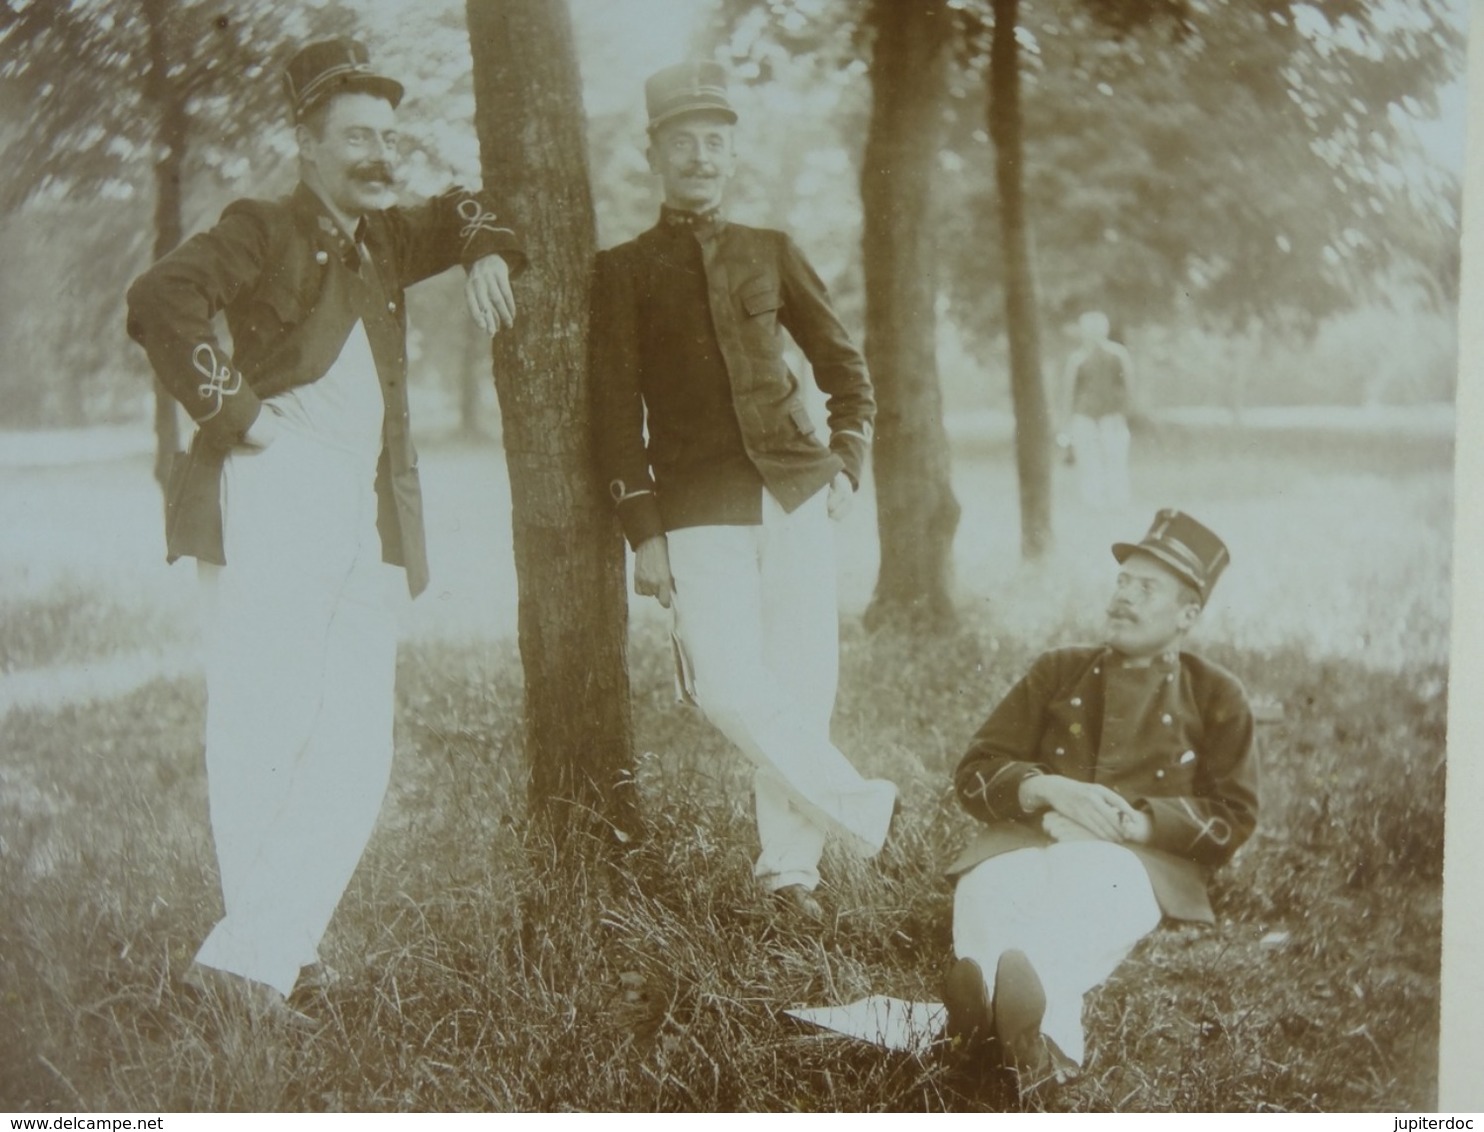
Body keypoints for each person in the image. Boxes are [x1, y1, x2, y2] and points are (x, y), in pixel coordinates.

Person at [125, 37, 525, 1022]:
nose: (378, 154)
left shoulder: (387, 236)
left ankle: (252, 958)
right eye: (355, 136)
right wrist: (242, 418)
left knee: (355, 746)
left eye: (388, 136)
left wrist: (484, 245)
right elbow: (158, 298)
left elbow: (475, 204)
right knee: (262, 728)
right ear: (306, 142)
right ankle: (273, 963)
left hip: (368, 504)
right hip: (273, 484)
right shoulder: (261, 224)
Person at [590, 61, 896, 921]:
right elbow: (614, 417)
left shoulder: (771, 251)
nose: (700, 156)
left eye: (715, 142)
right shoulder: (623, 272)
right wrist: (641, 531)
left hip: (798, 492)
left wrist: (848, 455)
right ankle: (864, 807)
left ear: (732, 155)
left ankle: (789, 875)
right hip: (695, 507)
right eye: (682, 141)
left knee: (803, 685)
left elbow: (845, 368)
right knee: (722, 683)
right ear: (654, 154)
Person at [942, 509, 1258, 1093]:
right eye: (1122, 582)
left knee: (1088, 891)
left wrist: (1132, 825)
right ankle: (1001, 1030)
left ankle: (1020, 1039)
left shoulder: (1216, 693)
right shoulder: (1058, 669)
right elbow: (974, 773)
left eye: (1146, 588)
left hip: (1130, 859)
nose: (1124, 597)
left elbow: (1234, 815)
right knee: (988, 890)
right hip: (1026, 837)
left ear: (1188, 614)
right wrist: (1045, 788)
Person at [1061, 310, 1135, 509]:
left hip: (1112, 415)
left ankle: (1118, 501)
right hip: (1085, 415)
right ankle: (1093, 502)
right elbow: (1070, 393)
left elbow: (1126, 386)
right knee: (1088, 460)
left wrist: (1122, 413)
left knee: (1115, 458)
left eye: (1097, 329)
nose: (1093, 334)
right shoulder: (1077, 359)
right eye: (1089, 330)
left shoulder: (1117, 355)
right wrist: (1067, 424)